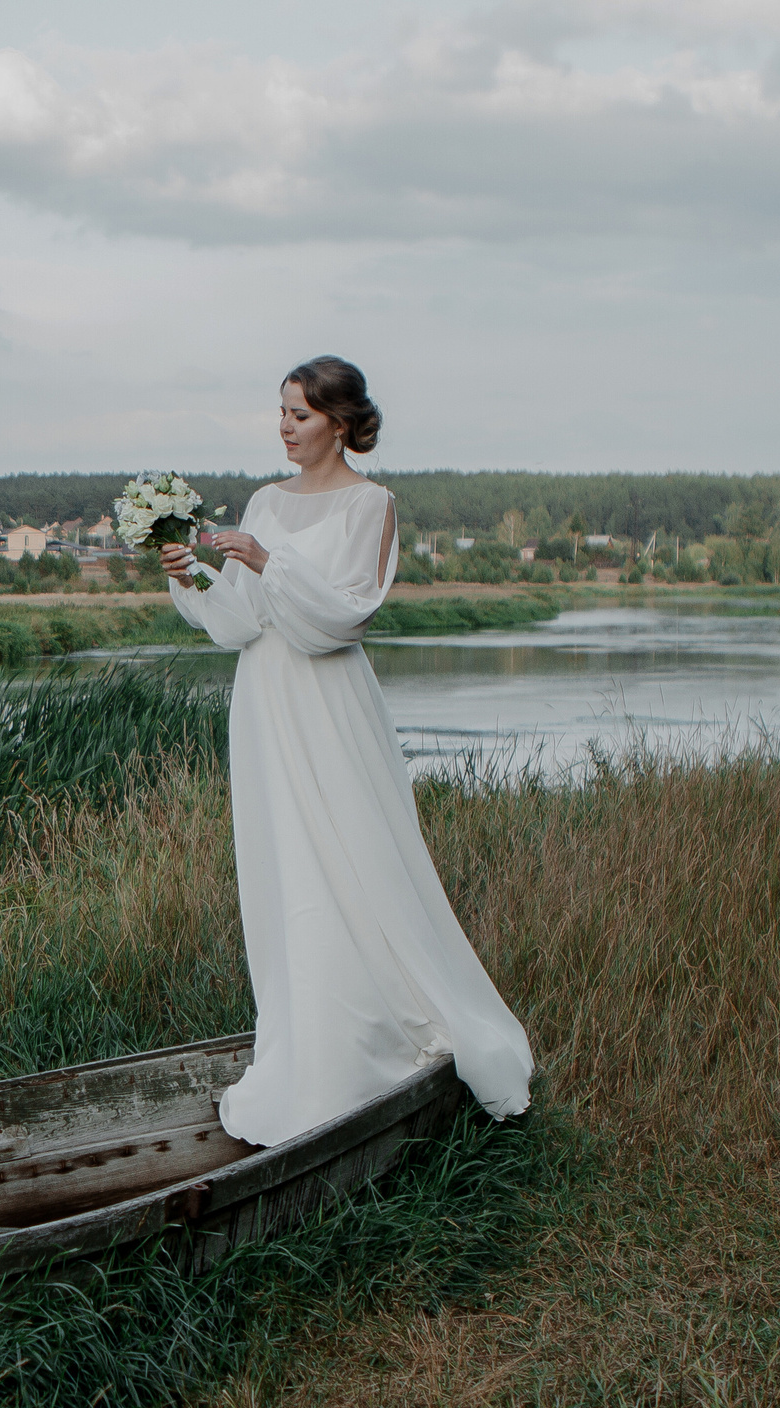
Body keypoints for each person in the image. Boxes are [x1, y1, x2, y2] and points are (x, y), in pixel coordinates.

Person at [164, 356, 532, 1142]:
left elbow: (348, 616)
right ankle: (305, 1046)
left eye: (299, 414)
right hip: (264, 700)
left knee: (356, 853)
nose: (285, 428)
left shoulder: (372, 505)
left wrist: (267, 558)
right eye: (282, 413)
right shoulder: (265, 500)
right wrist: (195, 577)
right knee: (286, 861)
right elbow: (241, 620)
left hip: (328, 700)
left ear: (339, 421)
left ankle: (373, 1044)